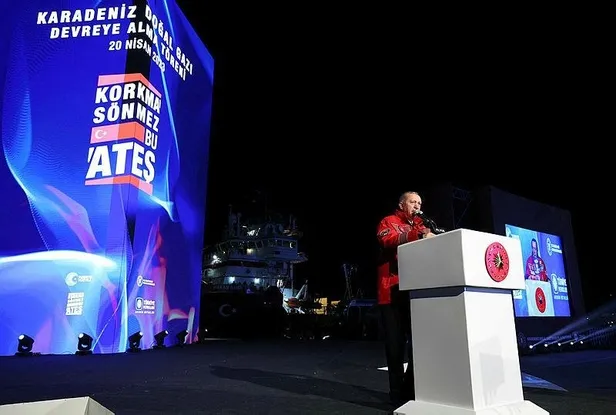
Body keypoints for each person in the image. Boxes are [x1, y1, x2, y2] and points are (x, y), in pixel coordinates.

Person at [376, 191, 435, 405]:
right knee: (395, 346)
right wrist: (416, 235)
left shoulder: (422, 225)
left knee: (418, 344)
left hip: (416, 291)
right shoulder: (388, 221)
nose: (417, 205)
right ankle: (396, 394)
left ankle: (410, 390)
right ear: (402, 204)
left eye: (419, 202)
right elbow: (387, 240)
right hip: (391, 291)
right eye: (412, 202)